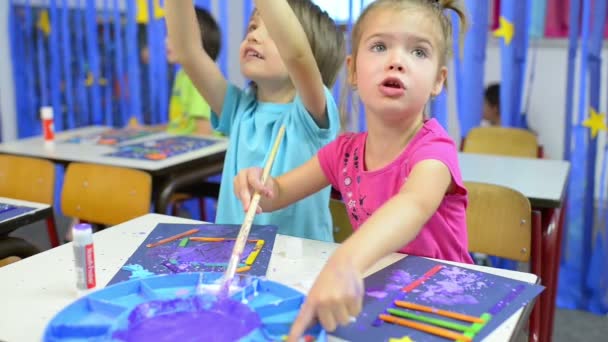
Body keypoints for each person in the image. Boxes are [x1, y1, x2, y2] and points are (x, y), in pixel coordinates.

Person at [232, 0, 472, 338]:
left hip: (446, 304)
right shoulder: (343, 153)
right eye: (379, 46)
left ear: (438, 80)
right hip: (382, 295)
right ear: (354, 71)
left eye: (418, 52)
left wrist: (345, 261)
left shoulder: (434, 150)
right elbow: (278, 193)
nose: (397, 61)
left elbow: (413, 205)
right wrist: (259, 183)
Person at [165, 0, 345, 241]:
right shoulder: (238, 108)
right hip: (237, 264)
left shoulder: (312, 111)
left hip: (299, 271)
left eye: (272, 30)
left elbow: (297, 54)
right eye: (252, 27)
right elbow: (187, 51)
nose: (254, 36)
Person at [133, 7, 221, 135]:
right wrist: (145, 130)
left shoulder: (202, 78)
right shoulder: (183, 75)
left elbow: (204, 133)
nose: (166, 41)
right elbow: (179, 126)